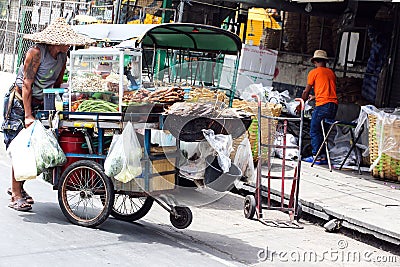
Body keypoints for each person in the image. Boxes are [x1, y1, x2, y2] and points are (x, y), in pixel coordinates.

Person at [2, 17, 93, 211]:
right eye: (67, 41)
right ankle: (16, 194)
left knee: (34, 147)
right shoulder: (35, 53)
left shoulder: (63, 57)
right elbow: (26, 85)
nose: (70, 45)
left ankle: (19, 187)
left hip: (39, 103)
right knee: (22, 147)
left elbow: (57, 85)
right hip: (19, 103)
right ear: (56, 42)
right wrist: (28, 115)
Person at [300, 50, 338, 165]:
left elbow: (306, 90)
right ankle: (322, 156)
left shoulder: (314, 72)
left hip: (322, 105)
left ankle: (316, 155)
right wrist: (315, 96)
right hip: (333, 105)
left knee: (315, 130)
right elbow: (328, 91)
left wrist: (301, 102)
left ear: (315, 61)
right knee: (324, 131)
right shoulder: (331, 73)